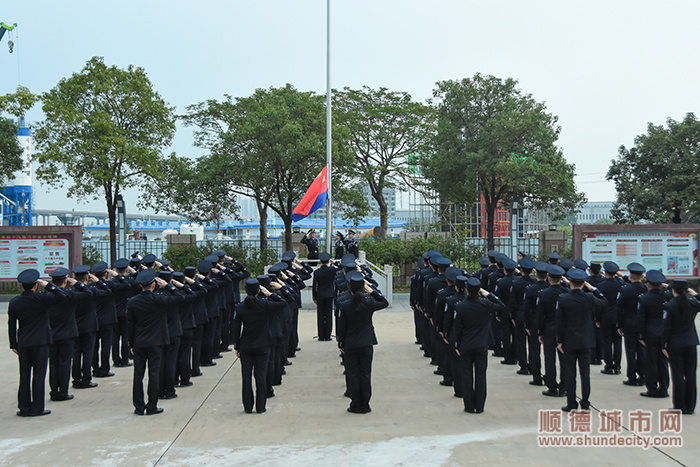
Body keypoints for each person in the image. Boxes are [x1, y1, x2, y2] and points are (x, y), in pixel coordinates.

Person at [8, 269, 66, 417]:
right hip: (41, 341)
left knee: (24, 375)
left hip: (24, 342)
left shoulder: (14, 302)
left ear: (21, 285)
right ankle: (37, 407)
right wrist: (47, 285)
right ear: (35, 286)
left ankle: (24, 407)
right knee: (39, 375)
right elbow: (61, 295)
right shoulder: (42, 299)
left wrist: (13, 344)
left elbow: (12, 325)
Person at [127, 269, 182, 415]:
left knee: (138, 375)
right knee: (154, 374)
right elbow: (180, 297)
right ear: (153, 285)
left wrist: (131, 344)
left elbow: (130, 326)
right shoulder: (159, 300)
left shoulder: (132, 302)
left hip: (139, 342)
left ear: (140, 286)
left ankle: (139, 407)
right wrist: (167, 286)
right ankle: (152, 405)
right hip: (156, 342)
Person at [336, 271, 389, 414]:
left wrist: (340, 343)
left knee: (353, 374)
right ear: (363, 288)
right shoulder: (369, 302)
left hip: (350, 344)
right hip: (367, 343)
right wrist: (370, 289)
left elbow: (341, 327)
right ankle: (365, 404)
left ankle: (355, 404)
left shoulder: (344, 304)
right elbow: (384, 302)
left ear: (348, 287)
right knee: (365, 374)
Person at [556, 268, 607, 412]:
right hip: (586, 340)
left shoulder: (563, 299)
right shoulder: (589, 297)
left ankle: (571, 403)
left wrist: (560, 341)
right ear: (584, 283)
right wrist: (594, 289)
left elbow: (560, 322)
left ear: (570, 282)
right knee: (585, 373)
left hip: (569, 340)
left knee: (570, 373)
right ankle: (585, 402)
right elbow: (604, 301)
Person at [232, 279, 286, 414]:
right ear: (258, 291)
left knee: (246, 377)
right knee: (260, 376)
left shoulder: (240, 307)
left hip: (246, 345)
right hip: (263, 345)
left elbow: (236, 329)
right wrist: (270, 294)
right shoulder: (265, 304)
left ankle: (248, 406)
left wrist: (237, 346)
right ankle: (261, 406)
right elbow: (283, 302)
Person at [452, 277, 505, 414]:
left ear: (466, 290)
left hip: (466, 345)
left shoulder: (460, 306)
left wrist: (456, 345)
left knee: (467, 375)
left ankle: (469, 406)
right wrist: (488, 294)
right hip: (482, 345)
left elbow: (457, 329)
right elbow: (501, 305)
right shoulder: (486, 304)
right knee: (481, 375)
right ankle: (480, 406)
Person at [663, 279, 700, 415]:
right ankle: (690, 406)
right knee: (690, 375)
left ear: (673, 290)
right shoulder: (693, 303)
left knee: (678, 375)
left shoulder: (669, 305)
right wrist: (694, 293)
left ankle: (679, 406)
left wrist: (663, 345)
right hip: (690, 343)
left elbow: (666, 329)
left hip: (675, 344)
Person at [537, 265, 570, 397]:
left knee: (549, 358)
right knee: (564, 359)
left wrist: (540, 332)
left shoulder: (543, 294)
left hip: (549, 329)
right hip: (564, 329)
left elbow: (540, 315)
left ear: (548, 278)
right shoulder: (567, 293)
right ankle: (564, 387)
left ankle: (551, 386)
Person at [47, 268, 79, 402]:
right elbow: (87, 293)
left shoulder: (46, 297)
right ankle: (63, 391)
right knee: (65, 363)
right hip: (67, 335)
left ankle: (54, 391)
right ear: (65, 282)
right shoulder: (70, 296)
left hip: (52, 334)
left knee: (54, 364)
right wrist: (77, 283)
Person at [638, 270, 672, 398]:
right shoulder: (668, 296)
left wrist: (640, 336)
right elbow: (683, 291)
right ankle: (664, 388)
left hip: (650, 333)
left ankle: (652, 388)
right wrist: (667, 286)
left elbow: (641, 319)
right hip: (664, 332)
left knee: (651, 361)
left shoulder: (643, 298)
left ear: (648, 285)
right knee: (663, 360)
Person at [617, 262, 648, 387]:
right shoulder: (645, 289)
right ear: (642, 276)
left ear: (630, 275)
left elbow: (619, 308)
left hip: (629, 323)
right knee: (641, 350)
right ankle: (642, 375)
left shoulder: (625, 289)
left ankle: (631, 377)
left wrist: (619, 325)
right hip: (642, 324)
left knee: (630, 350)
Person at [596, 261, 624, 376]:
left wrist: (597, 319)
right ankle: (617, 366)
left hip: (605, 316)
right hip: (617, 316)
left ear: (605, 272)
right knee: (617, 342)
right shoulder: (621, 284)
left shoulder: (601, 285)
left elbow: (598, 304)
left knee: (606, 342)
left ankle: (608, 366)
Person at [313, 252, 339, 341]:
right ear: (328, 261)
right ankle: (327, 335)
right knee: (328, 315)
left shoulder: (317, 272)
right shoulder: (332, 270)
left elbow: (314, 285)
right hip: (329, 295)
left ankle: (321, 335)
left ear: (320, 261)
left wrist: (314, 297)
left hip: (320, 295)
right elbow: (342, 267)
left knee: (320, 315)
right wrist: (335, 262)